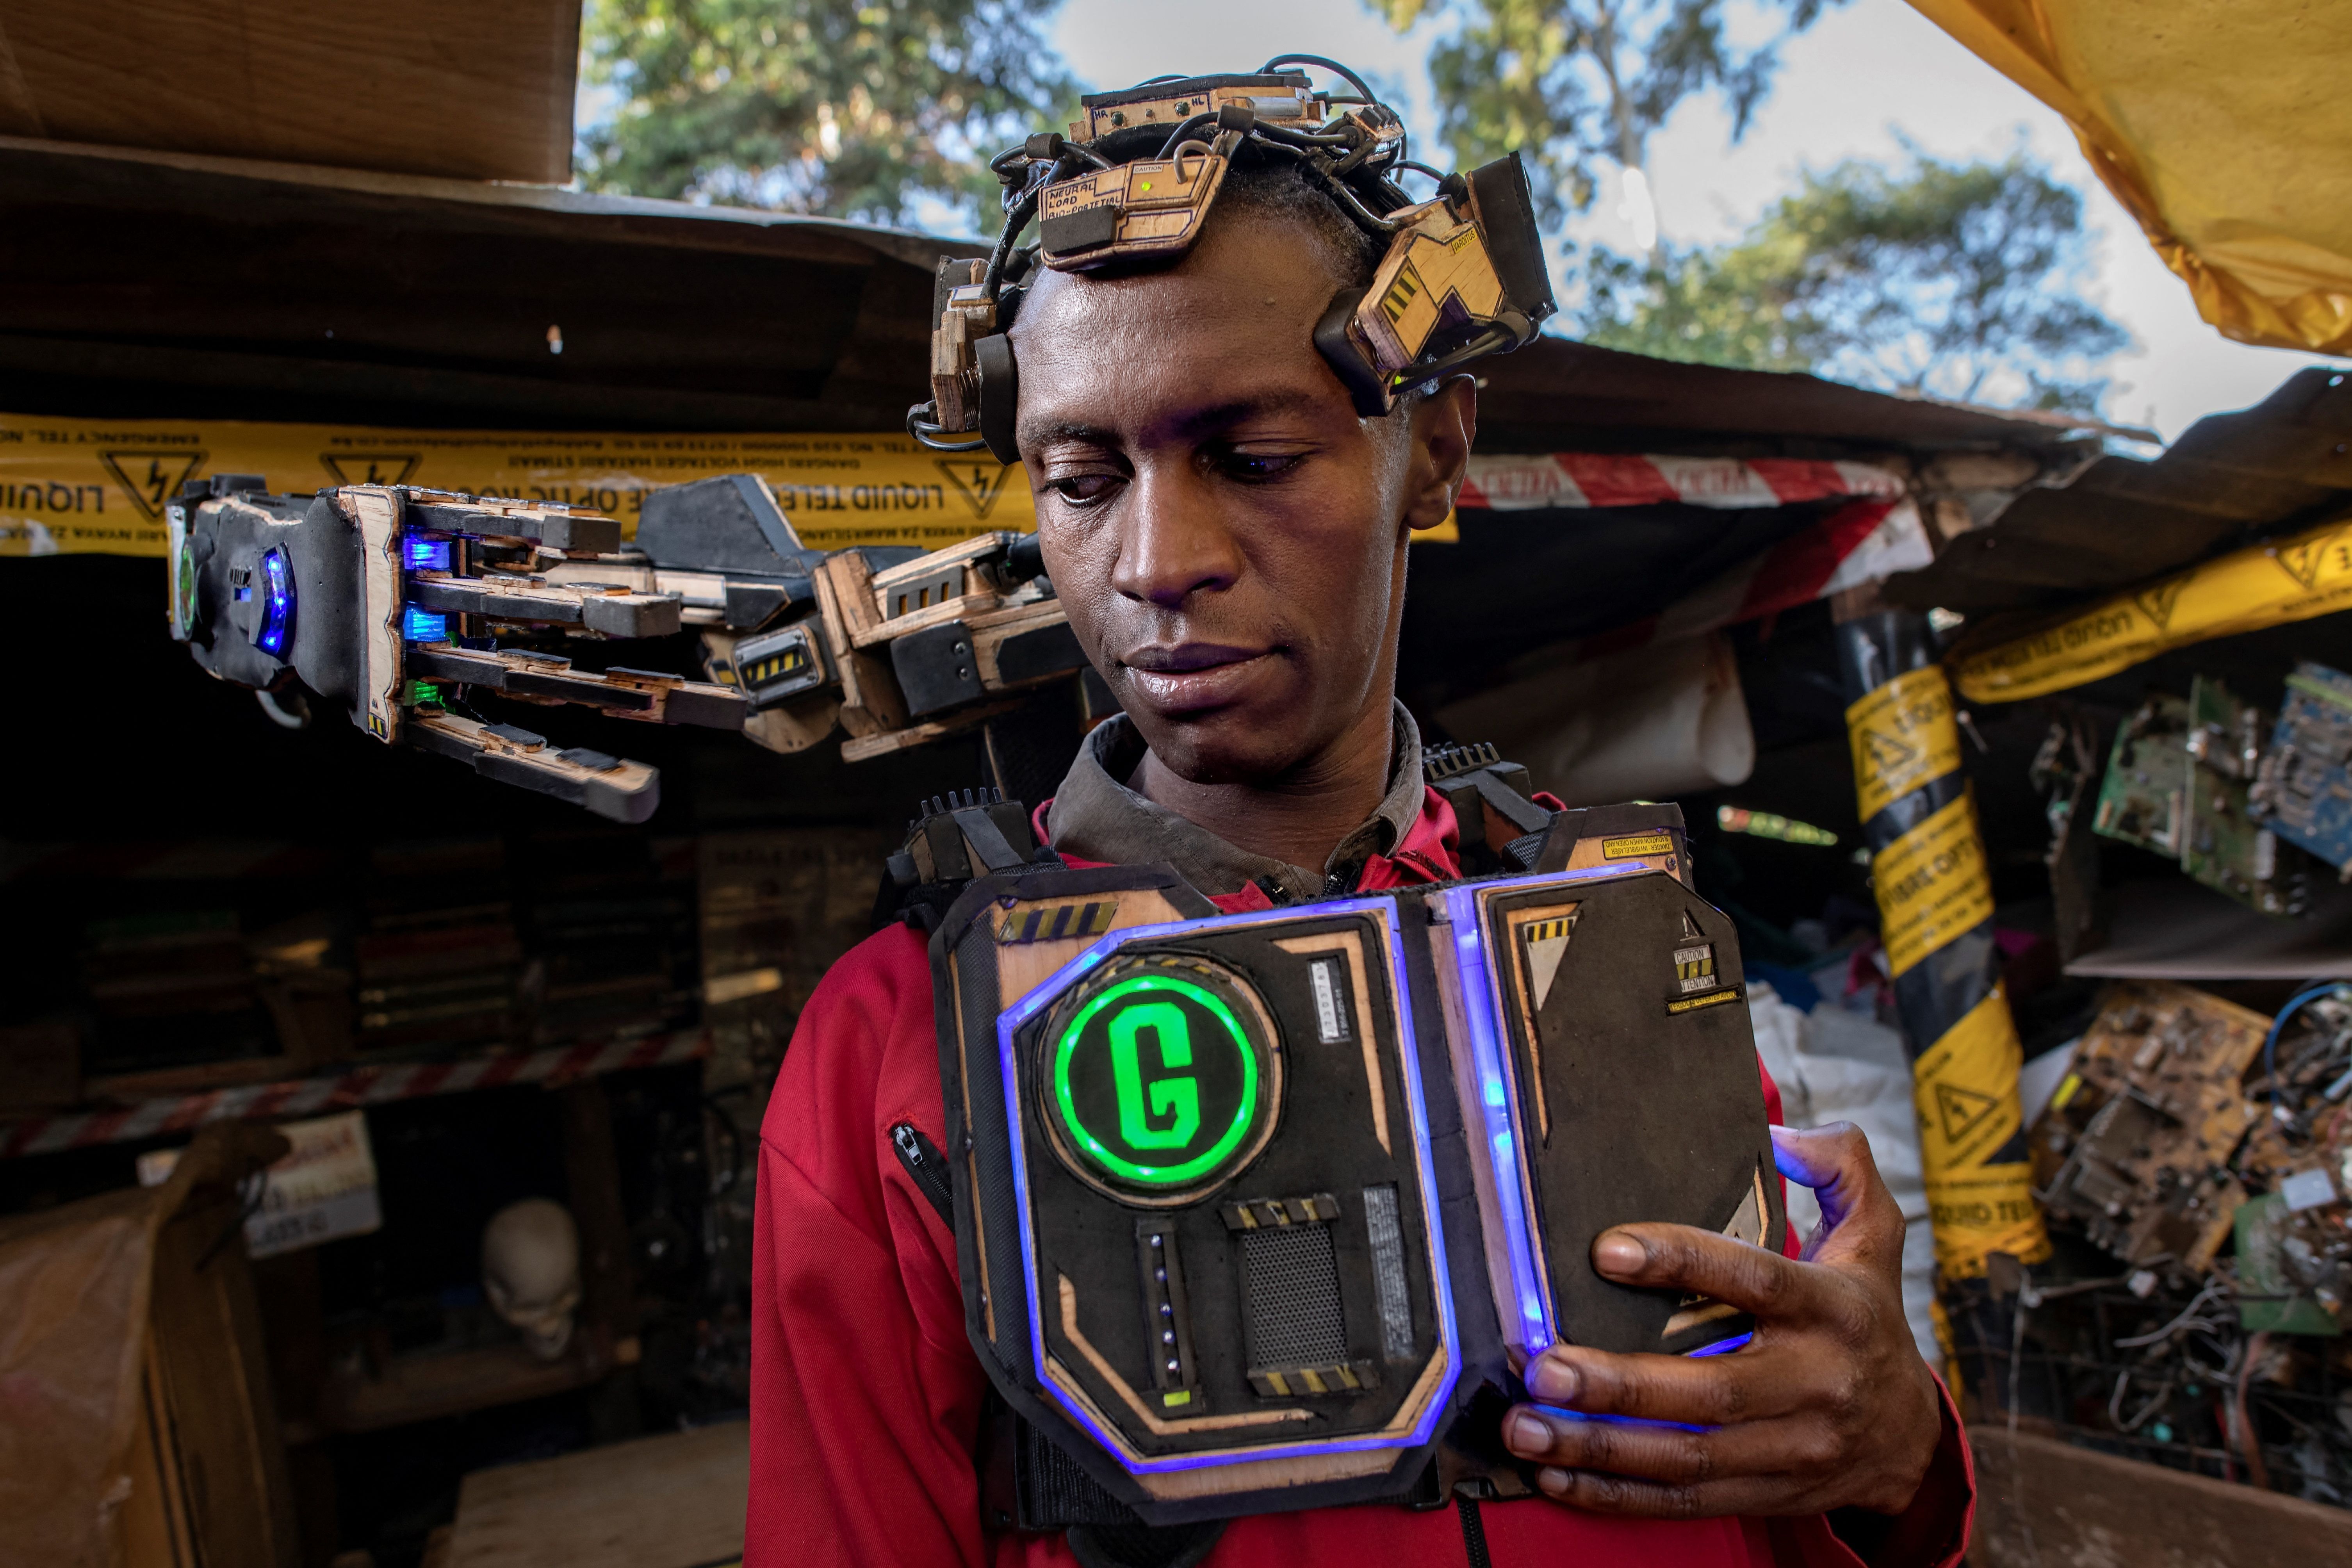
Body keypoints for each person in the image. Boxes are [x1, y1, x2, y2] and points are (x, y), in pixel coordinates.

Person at [748, 140, 1973, 1567]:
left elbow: (1808, 1480)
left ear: (1434, 448)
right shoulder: (896, 1042)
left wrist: (1902, 1458)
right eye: (1081, 481)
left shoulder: (1613, 942)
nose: (1156, 558)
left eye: (1255, 460)